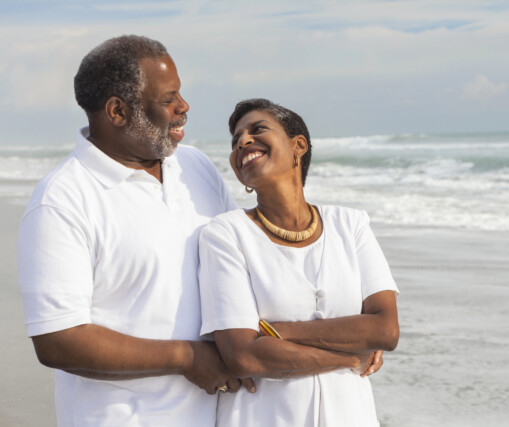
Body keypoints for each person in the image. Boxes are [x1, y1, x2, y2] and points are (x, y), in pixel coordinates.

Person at [17, 35, 251, 426]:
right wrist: (186, 357)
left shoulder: (195, 167)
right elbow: (58, 340)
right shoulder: (62, 202)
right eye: (168, 99)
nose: (184, 107)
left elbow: (244, 263)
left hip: (221, 416)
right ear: (117, 111)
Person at [198, 98, 400, 426]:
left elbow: (386, 330)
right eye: (235, 141)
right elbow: (242, 355)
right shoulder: (225, 234)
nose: (243, 142)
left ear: (298, 146)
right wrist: (351, 355)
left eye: (257, 129)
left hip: (350, 414)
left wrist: (276, 332)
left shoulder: (351, 225)